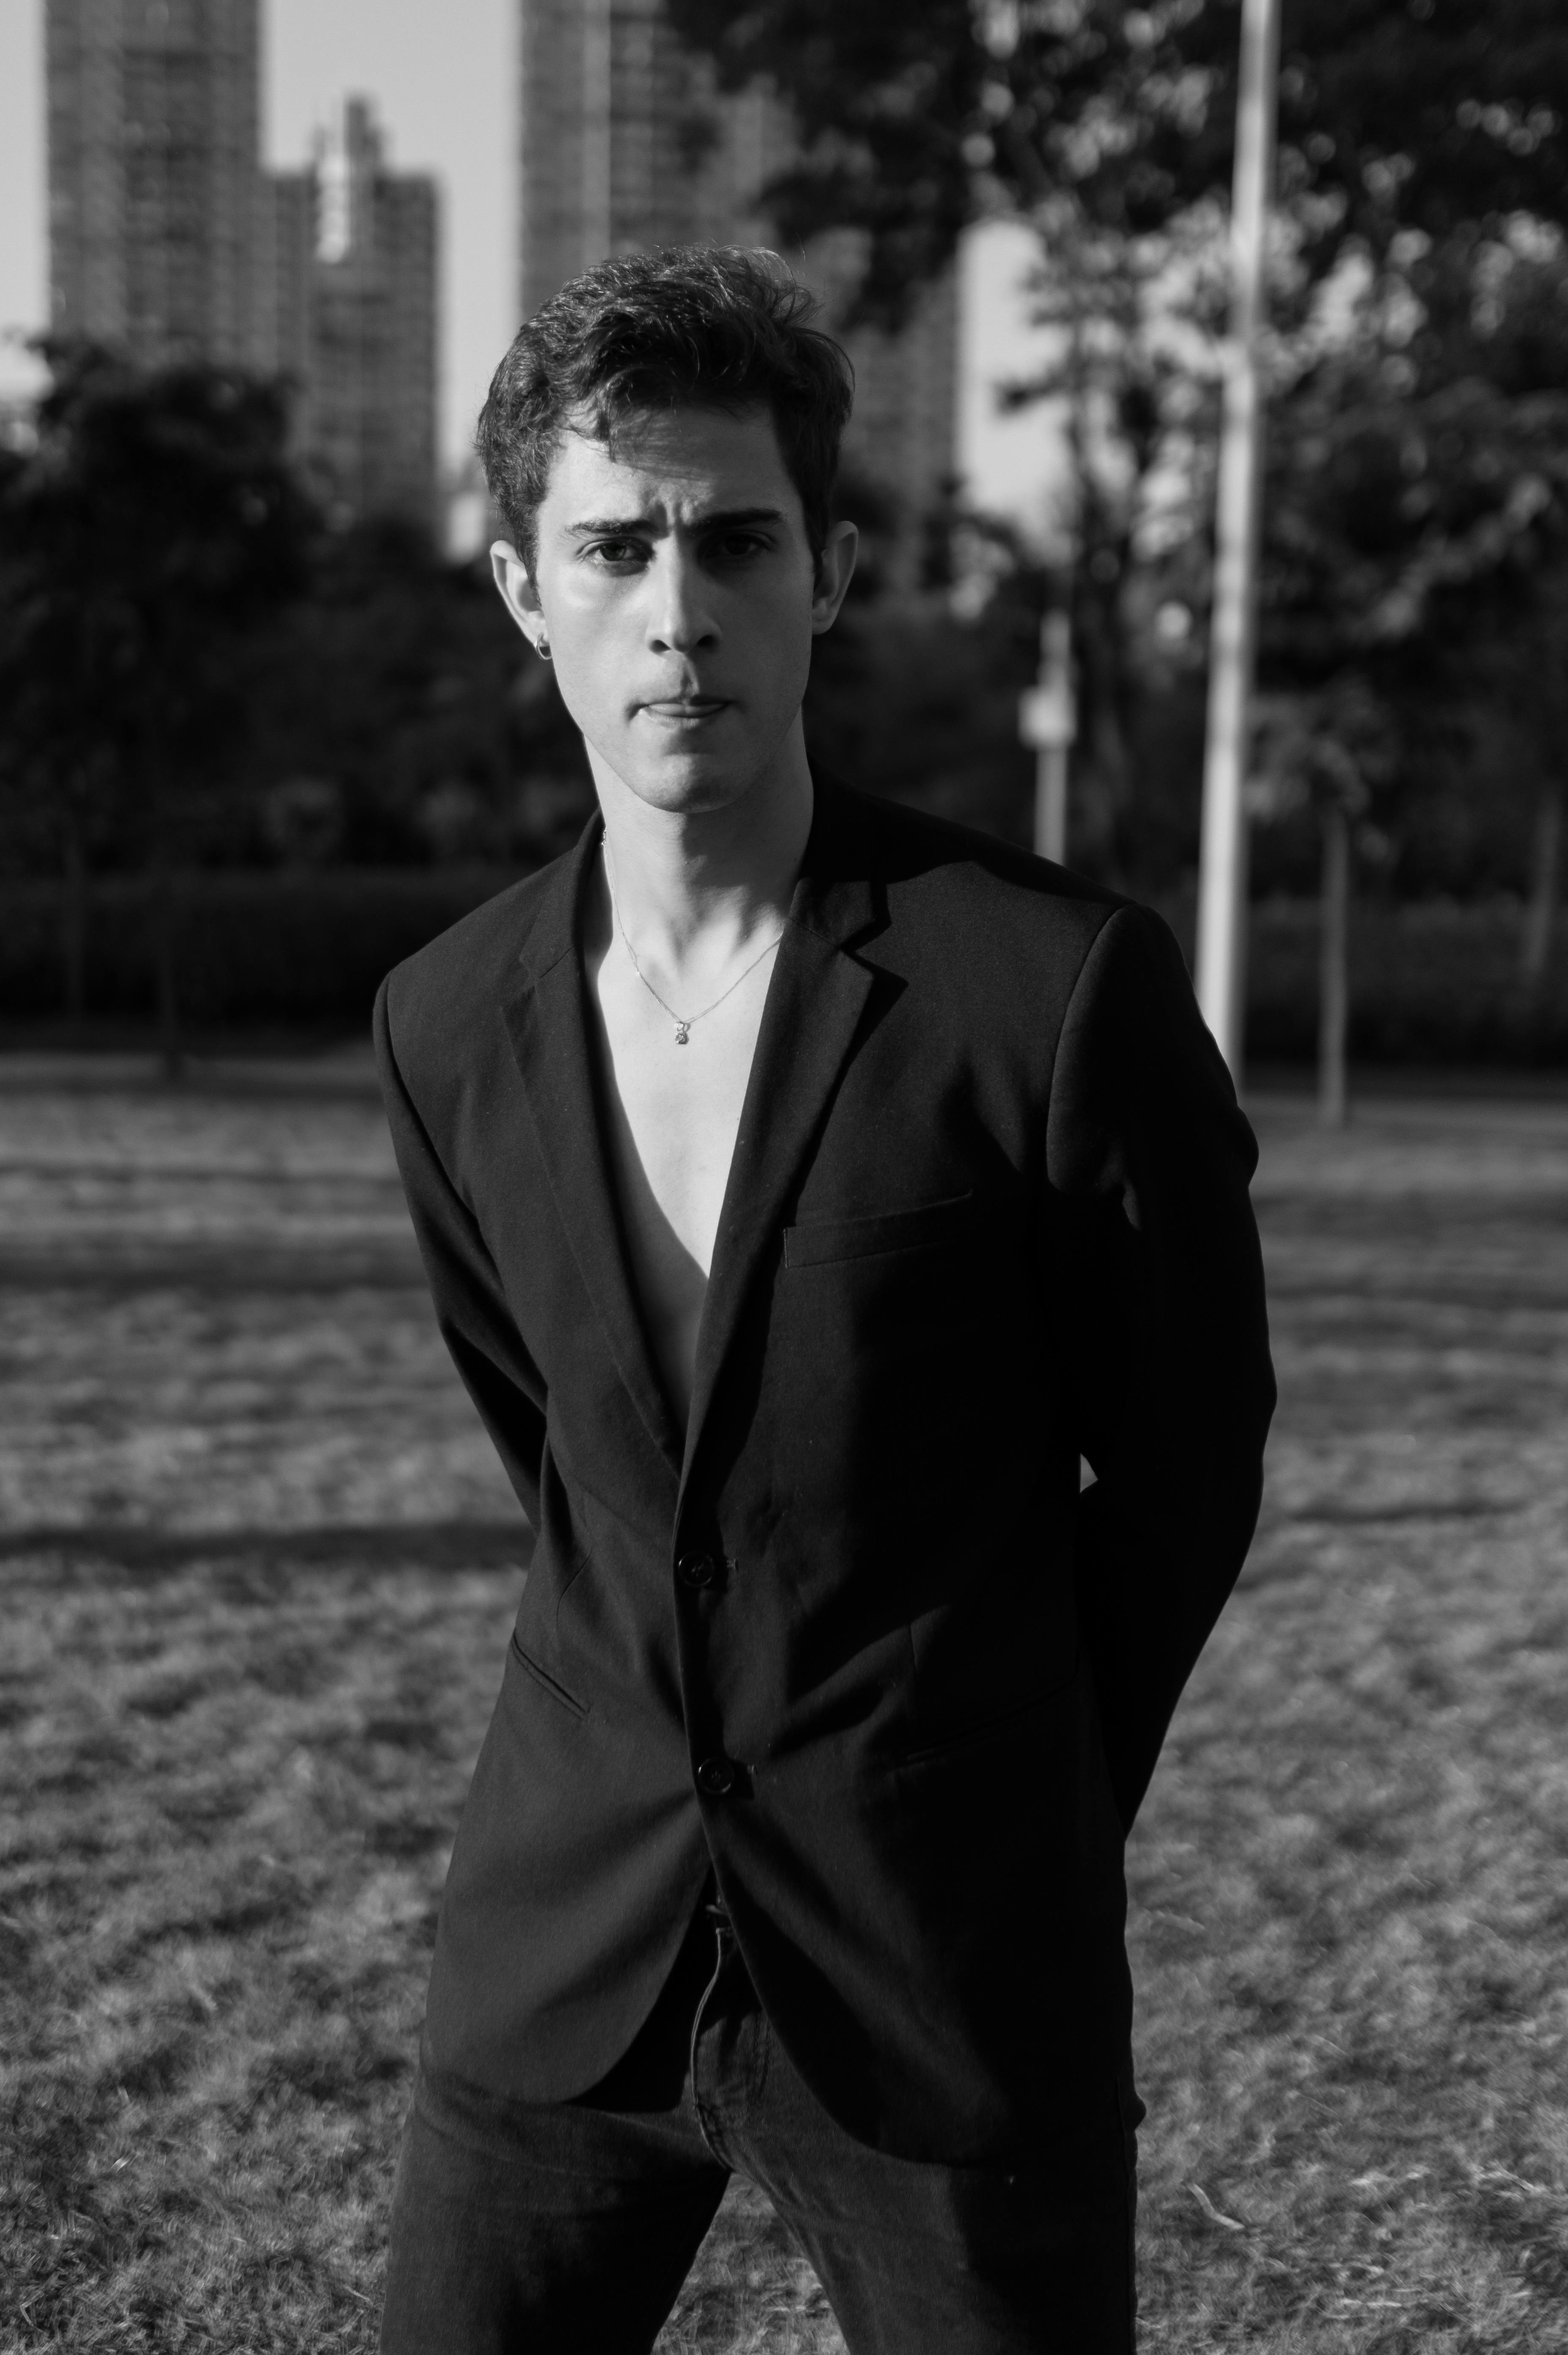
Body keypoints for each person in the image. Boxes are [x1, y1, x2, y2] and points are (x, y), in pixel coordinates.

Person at [372, 245, 1275, 2355]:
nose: (675, 609)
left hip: (939, 1951)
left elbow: (1180, 1470)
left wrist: (1009, 1789)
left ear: (829, 569)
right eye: (610, 546)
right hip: (563, 1938)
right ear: (524, 590)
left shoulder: (1046, 990)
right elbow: (570, 1467)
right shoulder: (442, 1022)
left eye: (731, 540)